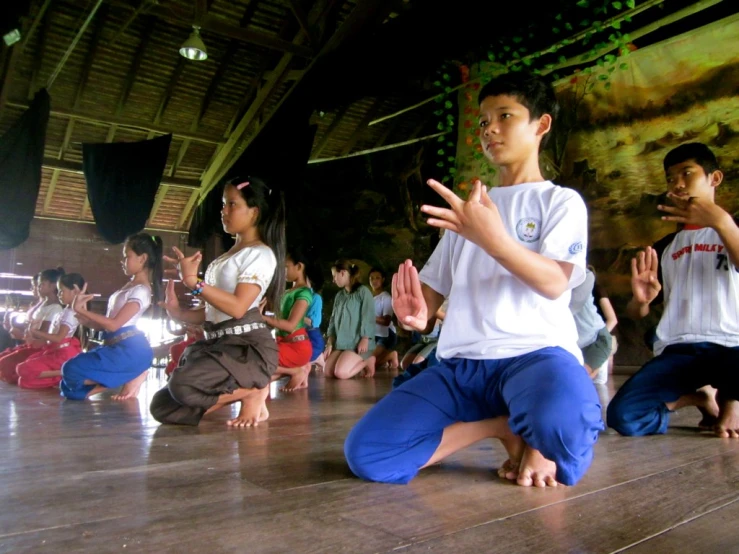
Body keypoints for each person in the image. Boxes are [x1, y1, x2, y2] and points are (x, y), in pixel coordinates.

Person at [344, 72, 603, 488]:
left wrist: (496, 241)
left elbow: (555, 283)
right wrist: (415, 314)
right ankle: (499, 425)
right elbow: (427, 303)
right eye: (483, 121)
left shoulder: (561, 201)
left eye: (505, 116)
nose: (490, 129)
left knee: (564, 432)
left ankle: (534, 433)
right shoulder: (467, 213)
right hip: (461, 364)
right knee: (369, 454)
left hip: (536, 356)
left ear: (541, 125)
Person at [607, 143, 739, 438]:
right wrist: (641, 301)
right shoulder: (665, 248)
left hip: (732, 347)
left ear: (714, 179)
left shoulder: (733, 228)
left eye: (686, 173)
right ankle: (699, 397)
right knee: (624, 417)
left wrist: (719, 221)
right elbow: (636, 312)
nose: (677, 184)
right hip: (680, 349)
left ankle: (731, 401)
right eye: (670, 178)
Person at [150, 176, 282, 427]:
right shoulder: (228, 256)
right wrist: (176, 311)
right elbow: (212, 313)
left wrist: (193, 282)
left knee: (182, 386)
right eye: (224, 204)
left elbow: (237, 307)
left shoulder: (260, 254)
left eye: (232, 204)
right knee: (163, 407)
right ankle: (243, 392)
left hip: (247, 349)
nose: (224, 210)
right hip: (220, 342)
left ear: (254, 212)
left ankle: (254, 392)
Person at [60, 234, 162, 400]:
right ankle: (127, 376)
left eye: (127, 256)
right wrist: (83, 317)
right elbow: (107, 325)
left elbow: (114, 325)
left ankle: (132, 373)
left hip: (131, 351)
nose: (123, 261)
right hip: (115, 347)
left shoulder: (142, 291)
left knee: (70, 370)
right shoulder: (129, 286)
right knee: (68, 389)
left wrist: (84, 311)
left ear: (142, 258)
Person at [16, 272, 85, 389]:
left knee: (22, 369)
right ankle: (61, 373)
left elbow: (59, 338)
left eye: (62, 291)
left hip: (63, 354)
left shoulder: (71, 313)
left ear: (74, 291)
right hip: (54, 351)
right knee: (23, 379)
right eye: (58, 291)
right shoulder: (65, 311)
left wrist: (35, 332)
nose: (59, 295)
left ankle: (64, 371)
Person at [264, 248, 315, 391]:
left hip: (296, 348)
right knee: (258, 379)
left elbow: (290, 326)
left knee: (258, 370)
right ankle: (299, 370)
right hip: (283, 345)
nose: (283, 271)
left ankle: (295, 371)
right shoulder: (288, 292)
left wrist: (264, 318)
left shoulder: (304, 293)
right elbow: (278, 319)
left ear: (299, 266)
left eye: (286, 267)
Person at [324, 260, 376, 380]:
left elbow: (368, 315)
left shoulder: (363, 292)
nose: (333, 280)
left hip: (358, 344)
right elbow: (333, 320)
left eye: (334, 276)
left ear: (342, 273)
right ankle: (351, 360)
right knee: (327, 372)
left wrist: (365, 338)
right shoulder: (339, 296)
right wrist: (330, 342)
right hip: (342, 344)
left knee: (341, 373)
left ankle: (368, 361)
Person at [569, 267, 612, 378]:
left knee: (579, 377)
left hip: (595, 339)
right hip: (576, 342)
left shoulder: (586, 277)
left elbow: (570, 309)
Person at [368, 267, 399, 370]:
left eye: (377, 278)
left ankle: (391, 355)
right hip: (372, 335)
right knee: (362, 362)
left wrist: (368, 316)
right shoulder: (370, 298)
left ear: (383, 279)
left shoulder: (386, 298)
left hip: (386, 335)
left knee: (368, 364)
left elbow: (386, 321)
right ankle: (384, 360)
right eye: (371, 278)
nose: (374, 281)